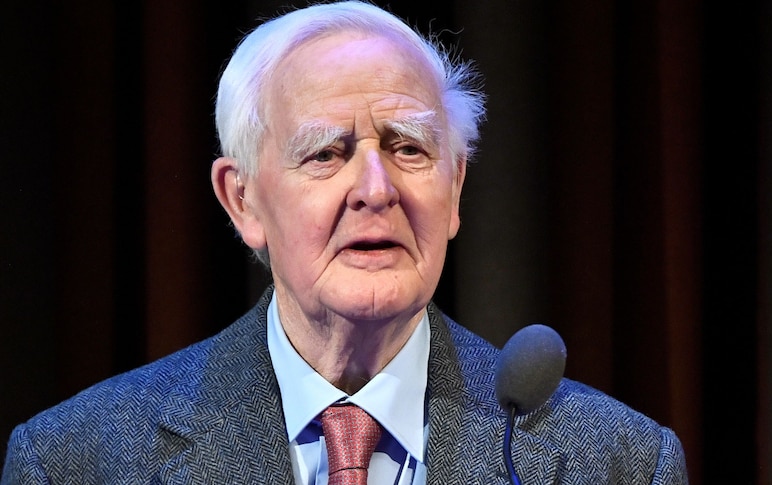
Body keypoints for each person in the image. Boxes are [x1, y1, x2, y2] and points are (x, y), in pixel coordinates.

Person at [2, 1, 688, 483]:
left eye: (408, 147)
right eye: (327, 153)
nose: (376, 188)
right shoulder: (78, 460)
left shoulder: (615, 462)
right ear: (243, 200)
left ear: (453, 189)